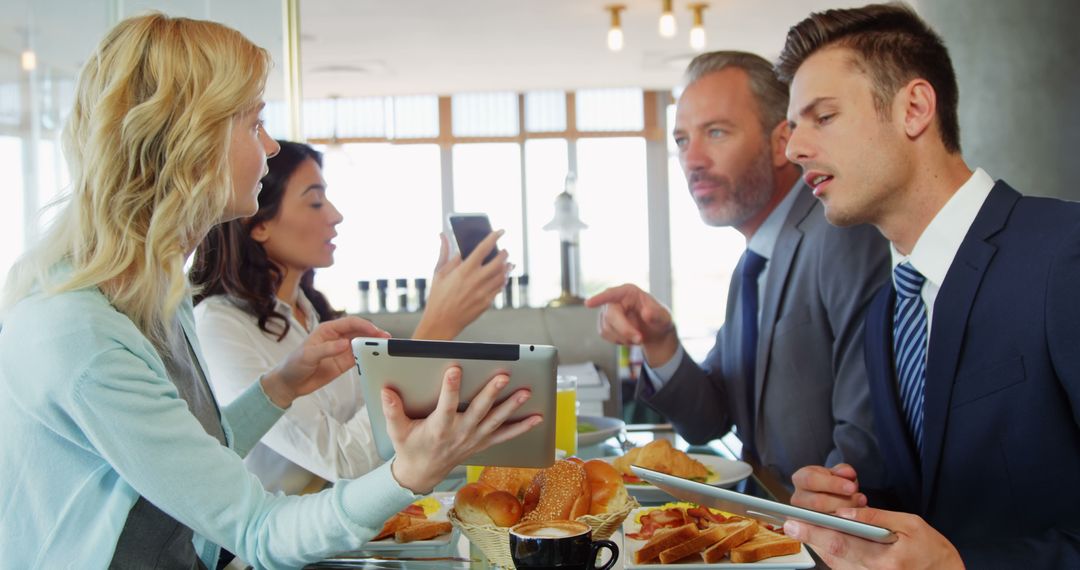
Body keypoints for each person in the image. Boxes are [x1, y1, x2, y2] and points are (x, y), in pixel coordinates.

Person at [0, 14, 540, 568]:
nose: (271, 144)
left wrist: (280, 388)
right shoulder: (82, 335)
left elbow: (194, 462)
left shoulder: (153, 294)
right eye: (254, 122)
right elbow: (256, 529)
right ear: (191, 140)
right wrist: (411, 472)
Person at [777, 3, 1080, 567]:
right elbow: (926, 507)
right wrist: (848, 512)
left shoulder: (1066, 251)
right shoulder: (887, 310)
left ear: (914, 108)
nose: (793, 149)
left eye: (822, 117)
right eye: (794, 127)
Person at [585, 51, 890, 487]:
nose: (693, 160)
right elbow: (708, 420)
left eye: (716, 132)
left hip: (826, 535)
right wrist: (661, 341)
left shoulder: (840, 231)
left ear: (781, 141)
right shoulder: (752, 265)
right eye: (682, 140)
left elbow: (866, 439)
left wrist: (815, 526)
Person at [189, 140, 510, 494]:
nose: (335, 215)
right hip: (278, 540)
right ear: (258, 223)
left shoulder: (313, 316)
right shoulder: (218, 328)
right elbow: (343, 461)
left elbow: (376, 431)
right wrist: (436, 328)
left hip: (349, 525)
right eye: (314, 202)